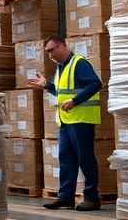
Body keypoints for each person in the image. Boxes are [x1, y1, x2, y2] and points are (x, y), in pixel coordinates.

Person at [28, 35, 104, 212]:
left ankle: (92, 198)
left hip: (81, 119)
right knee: (66, 160)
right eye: (47, 52)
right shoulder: (61, 67)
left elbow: (95, 84)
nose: (50, 55)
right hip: (66, 121)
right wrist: (48, 85)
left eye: (52, 50)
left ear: (62, 46)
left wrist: (75, 101)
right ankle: (66, 197)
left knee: (85, 159)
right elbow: (63, 92)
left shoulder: (79, 63)